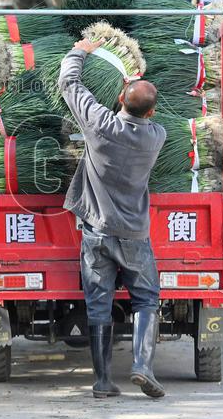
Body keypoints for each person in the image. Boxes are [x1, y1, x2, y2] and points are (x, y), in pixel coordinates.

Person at [59, 38, 168, 399]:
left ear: (119, 98)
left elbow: (69, 85)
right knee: (147, 299)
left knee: (98, 304)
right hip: (134, 234)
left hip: (97, 232)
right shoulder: (156, 136)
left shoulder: (100, 125)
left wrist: (80, 51)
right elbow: (140, 110)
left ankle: (103, 382)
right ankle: (142, 365)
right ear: (151, 114)